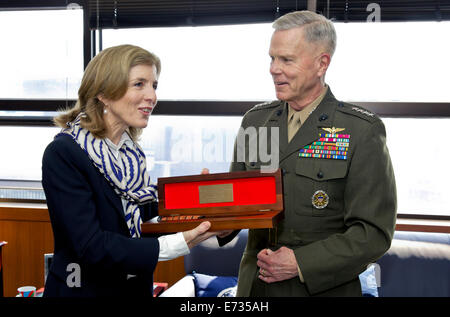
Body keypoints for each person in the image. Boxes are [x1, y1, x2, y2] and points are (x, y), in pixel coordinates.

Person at [220, 11, 397, 296]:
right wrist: (217, 221)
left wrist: (300, 263)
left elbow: (373, 233)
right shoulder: (255, 121)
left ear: (321, 64)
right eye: (272, 58)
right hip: (255, 290)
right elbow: (239, 205)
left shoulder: (362, 130)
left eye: (286, 59)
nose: (273, 69)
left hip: (320, 290)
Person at [42, 44, 218, 297]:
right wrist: (178, 244)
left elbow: (140, 210)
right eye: (139, 84)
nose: (152, 96)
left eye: (154, 86)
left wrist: (193, 196)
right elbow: (91, 246)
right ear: (103, 92)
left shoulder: (130, 154)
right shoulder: (64, 154)